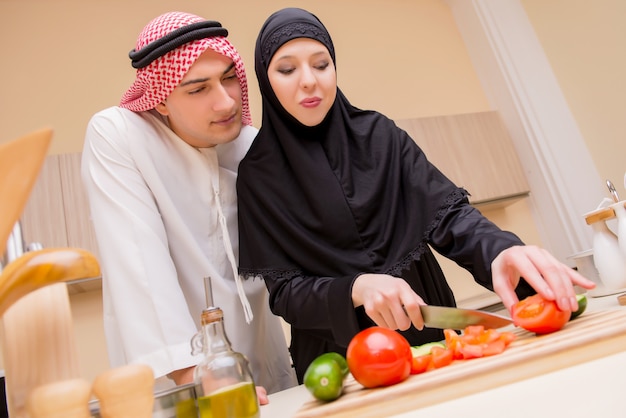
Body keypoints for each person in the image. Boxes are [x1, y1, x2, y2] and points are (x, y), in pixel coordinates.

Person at [237, 7, 596, 383]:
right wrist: (356, 288)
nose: (309, 81)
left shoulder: (380, 135)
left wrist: (501, 250)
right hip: (342, 361)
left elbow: (449, 216)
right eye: (287, 69)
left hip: (430, 330)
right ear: (266, 80)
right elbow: (285, 293)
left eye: (321, 64)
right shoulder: (258, 176)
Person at [81, 11, 297, 399]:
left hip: (268, 371)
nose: (226, 100)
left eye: (230, 77)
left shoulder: (250, 145)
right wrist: (197, 376)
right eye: (198, 89)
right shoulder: (121, 136)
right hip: (180, 381)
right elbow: (139, 264)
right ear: (160, 101)